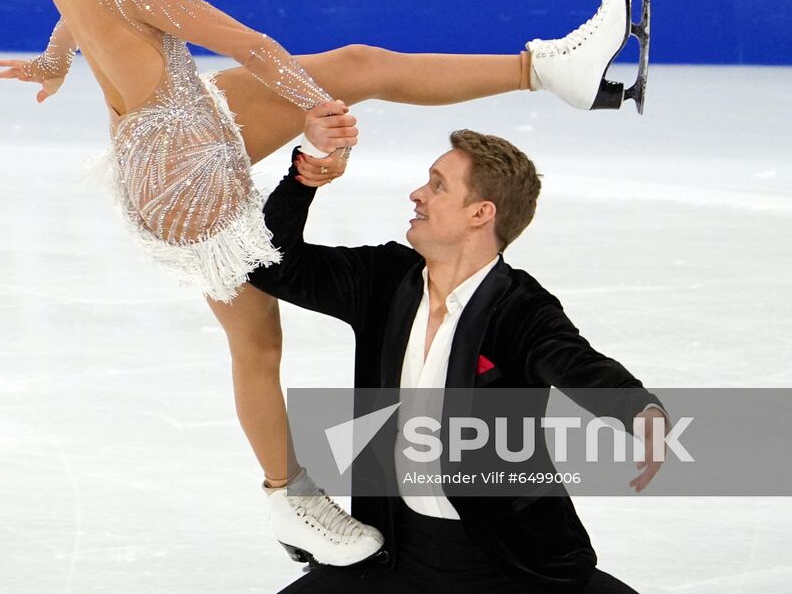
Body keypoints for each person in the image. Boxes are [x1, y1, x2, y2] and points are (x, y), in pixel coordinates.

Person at [0, 0, 650, 567]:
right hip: (188, 172)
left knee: (358, 64)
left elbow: (74, 11)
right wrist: (316, 110)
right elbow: (250, 42)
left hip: (164, 141)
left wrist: (54, 59)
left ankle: (548, 70)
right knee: (257, 340)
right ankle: (289, 496)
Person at [248, 125, 667, 592]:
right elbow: (270, 263)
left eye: (437, 185)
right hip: (395, 556)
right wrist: (305, 177)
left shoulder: (519, 307)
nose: (417, 194)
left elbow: (570, 360)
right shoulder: (384, 282)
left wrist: (637, 408)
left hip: (511, 562)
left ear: (480, 213)